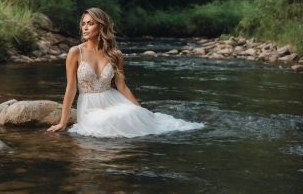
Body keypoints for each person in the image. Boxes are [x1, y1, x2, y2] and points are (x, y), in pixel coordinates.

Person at [47, 8, 203, 138]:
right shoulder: (76, 52)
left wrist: (141, 109)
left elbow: (121, 86)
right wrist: (63, 122)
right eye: (83, 24)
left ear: (101, 27)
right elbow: (71, 88)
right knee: (106, 121)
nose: (85, 28)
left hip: (112, 99)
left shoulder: (116, 54)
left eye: (90, 24)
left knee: (132, 112)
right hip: (89, 107)